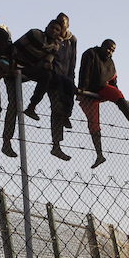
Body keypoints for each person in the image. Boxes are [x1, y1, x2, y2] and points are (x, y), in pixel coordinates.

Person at [0, 19, 62, 157]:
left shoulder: (55, 45)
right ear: (46, 27)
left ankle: (32, 107)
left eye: (57, 29)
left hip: (28, 70)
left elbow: (47, 61)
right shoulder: (34, 34)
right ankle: (6, 142)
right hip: (13, 69)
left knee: (47, 75)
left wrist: (48, 64)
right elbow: (14, 48)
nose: (54, 30)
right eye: (52, 27)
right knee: (14, 105)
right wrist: (10, 66)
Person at [77, 39, 129, 168]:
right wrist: (82, 89)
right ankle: (99, 155)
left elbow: (113, 80)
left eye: (113, 50)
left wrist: (115, 89)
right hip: (89, 91)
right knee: (94, 124)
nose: (110, 52)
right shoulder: (91, 53)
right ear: (102, 46)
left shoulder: (110, 62)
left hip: (102, 88)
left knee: (118, 95)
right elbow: (84, 70)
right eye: (108, 48)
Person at [48, 12, 77, 160]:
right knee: (56, 108)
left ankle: (66, 116)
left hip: (67, 79)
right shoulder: (53, 38)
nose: (61, 25)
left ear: (68, 24)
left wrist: (72, 78)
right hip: (53, 78)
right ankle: (56, 145)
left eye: (63, 22)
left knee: (65, 105)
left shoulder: (72, 40)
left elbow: (73, 61)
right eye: (59, 22)